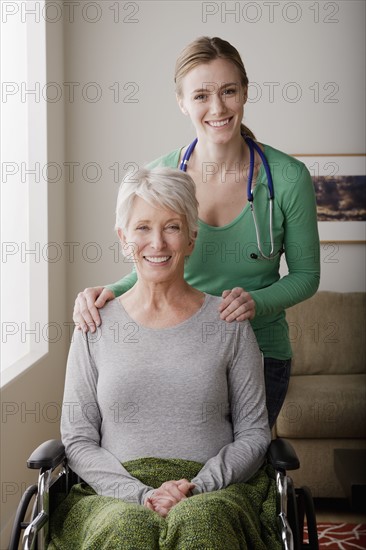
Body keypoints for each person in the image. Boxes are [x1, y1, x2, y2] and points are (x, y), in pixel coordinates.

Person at [73, 36, 320, 428]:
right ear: (182, 102)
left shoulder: (288, 177)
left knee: (239, 468)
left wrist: (255, 303)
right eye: (201, 95)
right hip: (182, 347)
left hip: (261, 350)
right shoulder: (160, 175)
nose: (217, 107)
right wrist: (106, 292)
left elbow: (307, 277)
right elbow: (154, 256)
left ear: (244, 94)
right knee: (181, 463)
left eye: (228, 91)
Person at [49, 167, 280, 550]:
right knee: (126, 528)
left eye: (172, 227)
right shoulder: (94, 323)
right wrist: (139, 495)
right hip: (112, 490)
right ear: (124, 238)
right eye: (142, 228)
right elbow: (77, 438)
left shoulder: (229, 322)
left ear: (191, 237)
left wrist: (196, 487)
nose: (157, 242)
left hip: (213, 488)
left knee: (201, 522)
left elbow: (254, 433)